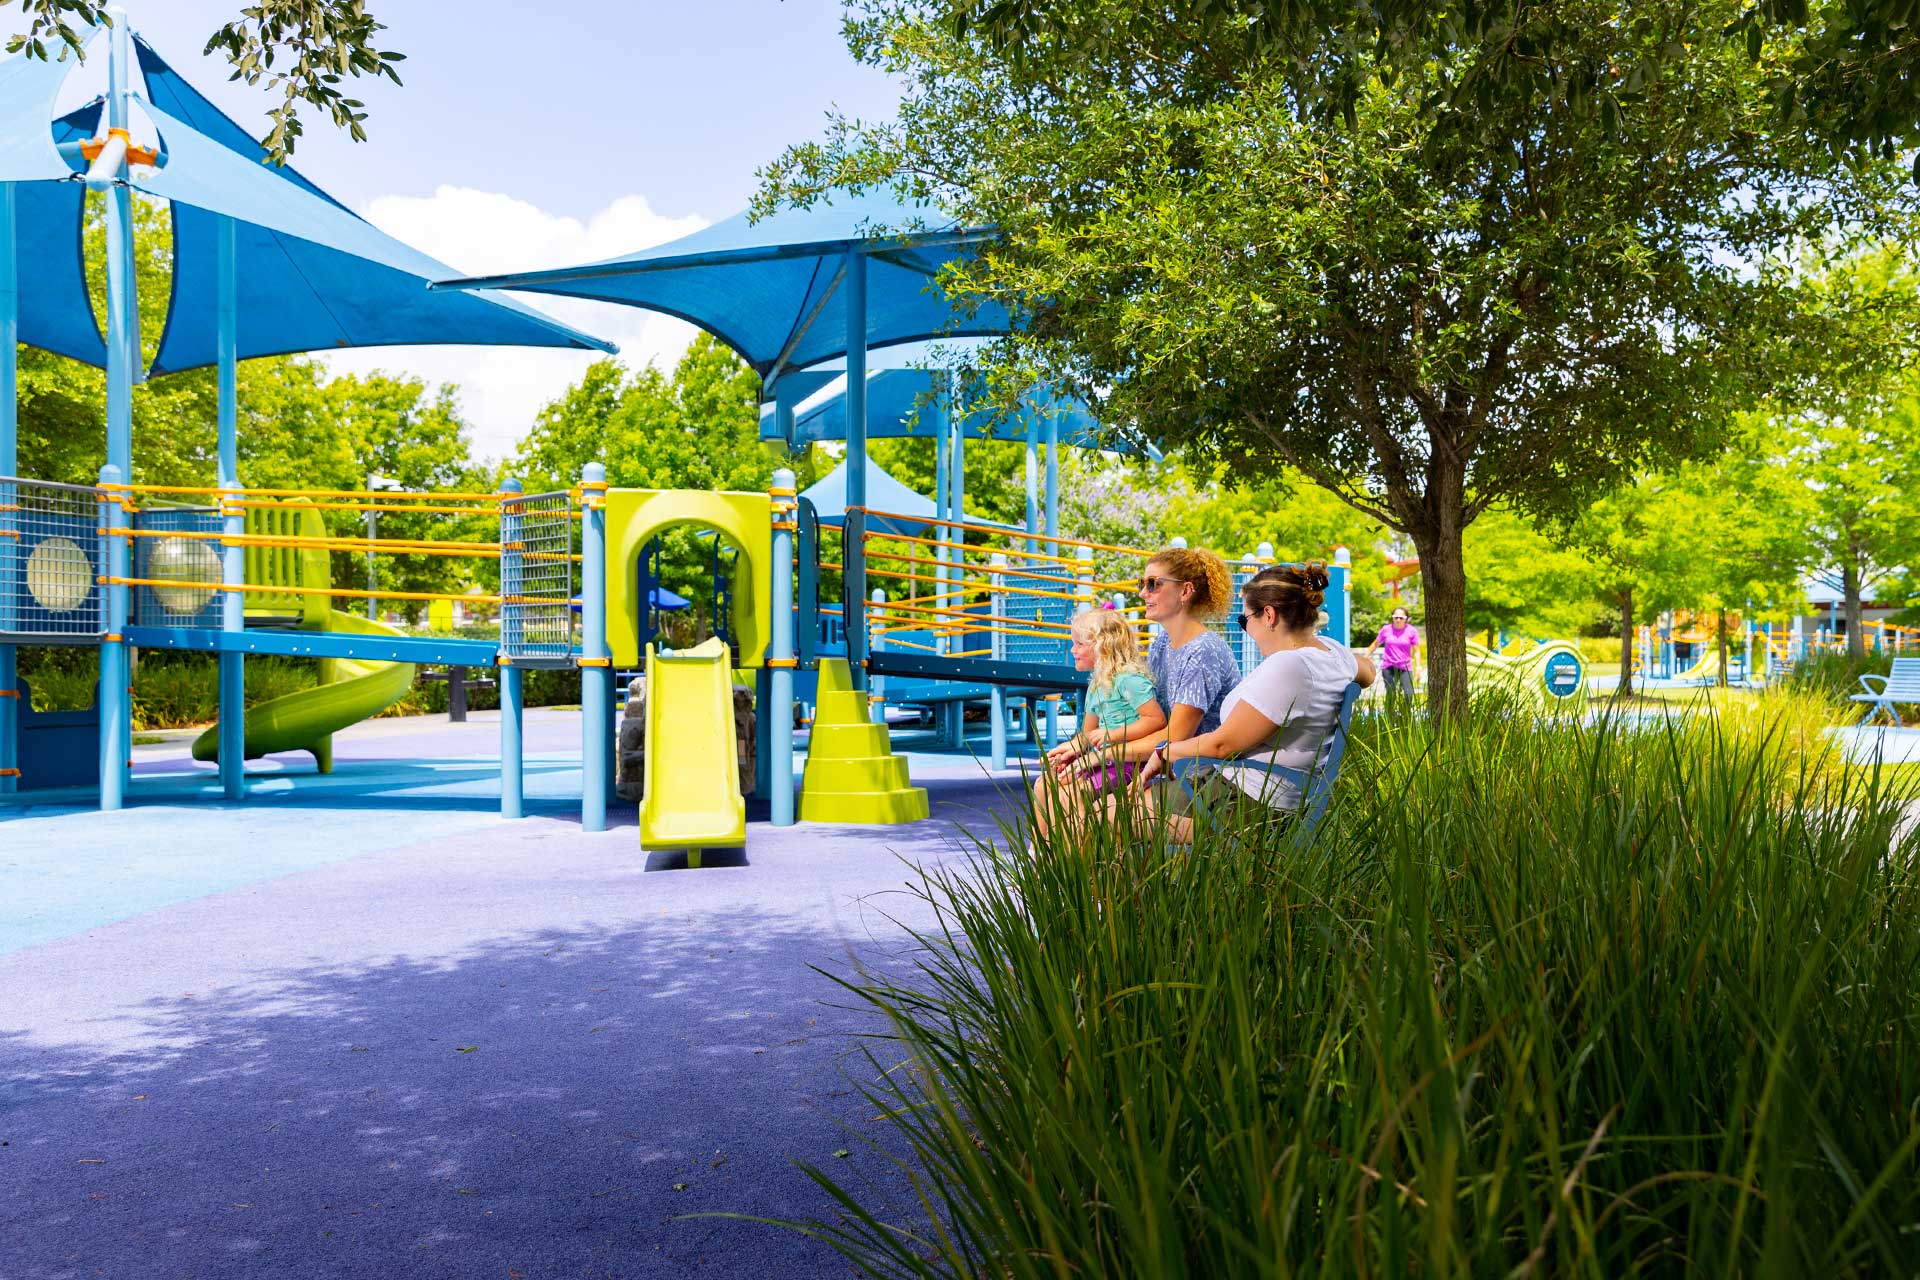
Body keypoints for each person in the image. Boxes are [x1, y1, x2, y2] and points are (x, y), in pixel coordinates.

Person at [1131, 563, 1377, 842]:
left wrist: (1165, 753)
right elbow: (1368, 670)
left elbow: (1222, 745)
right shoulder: (1333, 653)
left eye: (1244, 619)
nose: (1246, 628)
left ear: (1269, 615)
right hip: (1270, 794)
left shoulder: (1290, 667)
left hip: (1245, 805)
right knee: (1118, 809)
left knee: (1109, 816)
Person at [1040, 546, 1240, 833]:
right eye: (1142, 584)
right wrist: (1079, 747)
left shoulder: (1202, 652)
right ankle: (1047, 870)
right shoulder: (1161, 646)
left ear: (1185, 591)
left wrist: (1102, 755)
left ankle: (1076, 875)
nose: (1143, 593)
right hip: (1164, 768)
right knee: (1051, 784)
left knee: (1084, 810)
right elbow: (1142, 718)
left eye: (1153, 584)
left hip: (1202, 778)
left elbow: (1175, 735)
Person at [1032, 606, 1166, 835]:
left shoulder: (1129, 680)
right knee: (1044, 784)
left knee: (1072, 793)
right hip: (1104, 761)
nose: (1073, 649)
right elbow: (1087, 734)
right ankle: (1042, 852)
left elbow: (1156, 720)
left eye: (1080, 644)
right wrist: (1069, 748)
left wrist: (1112, 735)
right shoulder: (1096, 685)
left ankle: (1076, 853)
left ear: (1104, 646)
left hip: (1129, 762)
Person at [1366, 607, 1419, 710]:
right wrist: (1365, 657)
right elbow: (1375, 644)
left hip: (1405, 667)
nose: (1398, 620)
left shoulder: (1412, 631)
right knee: (1391, 694)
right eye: (1395, 617)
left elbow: (1416, 651)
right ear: (1392, 618)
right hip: (1388, 667)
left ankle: (1405, 716)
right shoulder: (1386, 629)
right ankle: (1389, 717)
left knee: (1409, 694)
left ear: (1406, 618)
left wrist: (1419, 667)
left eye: (1401, 618)